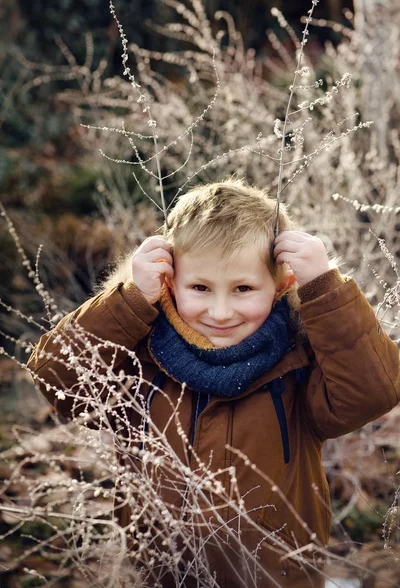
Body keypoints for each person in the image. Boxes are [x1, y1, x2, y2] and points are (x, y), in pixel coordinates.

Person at [28, 179, 400, 588]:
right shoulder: (140, 356)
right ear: (170, 283)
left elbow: (373, 392)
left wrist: (325, 287)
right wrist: (129, 299)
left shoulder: (300, 361)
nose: (220, 312)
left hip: (275, 579)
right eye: (200, 288)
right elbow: (57, 380)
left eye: (243, 289)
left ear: (282, 285)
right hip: (157, 575)